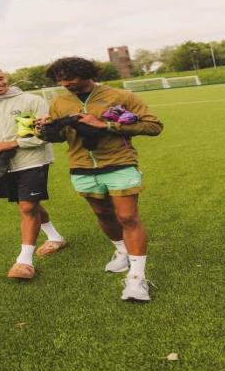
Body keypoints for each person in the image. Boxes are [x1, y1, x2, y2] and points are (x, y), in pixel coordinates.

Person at [42, 57, 163, 301]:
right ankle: (121, 252)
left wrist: (105, 125)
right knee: (103, 213)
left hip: (119, 162)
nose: (65, 84)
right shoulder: (59, 102)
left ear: (86, 73)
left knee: (127, 217)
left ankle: (137, 279)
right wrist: (44, 130)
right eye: (60, 80)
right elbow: (58, 137)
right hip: (81, 166)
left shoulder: (120, 96)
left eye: (69, 78)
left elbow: (154, 126)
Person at [0, 65, 66, 280]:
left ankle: (24, 262)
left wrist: (13, 143)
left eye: (0, 78)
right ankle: (55, 237)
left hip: (33, 160)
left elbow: (44, 134)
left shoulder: (31, 101)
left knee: (28, 206)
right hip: (2, 164)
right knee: (28, 204)